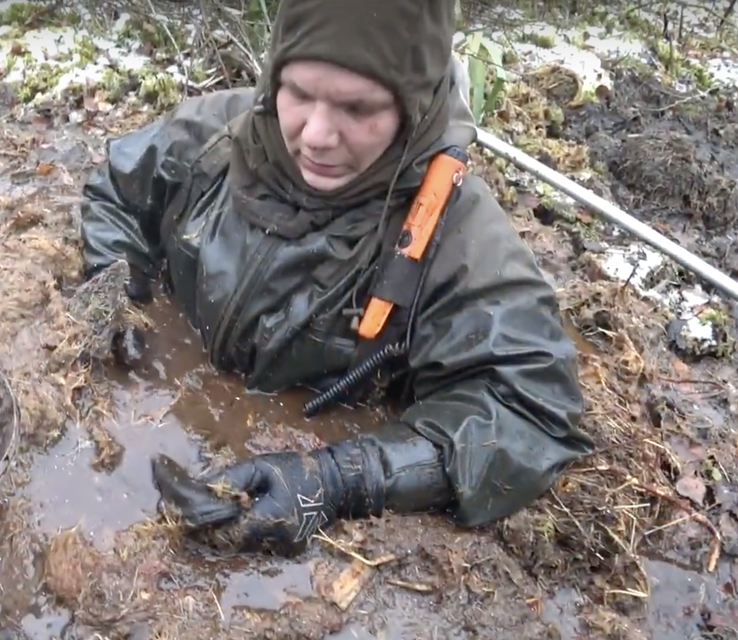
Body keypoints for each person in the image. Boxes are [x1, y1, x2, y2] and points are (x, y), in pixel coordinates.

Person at [79, 0, 594, 556]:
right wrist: (122, 294)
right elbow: (117, 192)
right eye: (299, 93)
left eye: (357, 107)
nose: (318, 135)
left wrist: (341, 477)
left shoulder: (461, 239)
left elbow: (529, 413)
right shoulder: (212, 139)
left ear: (412, 106)